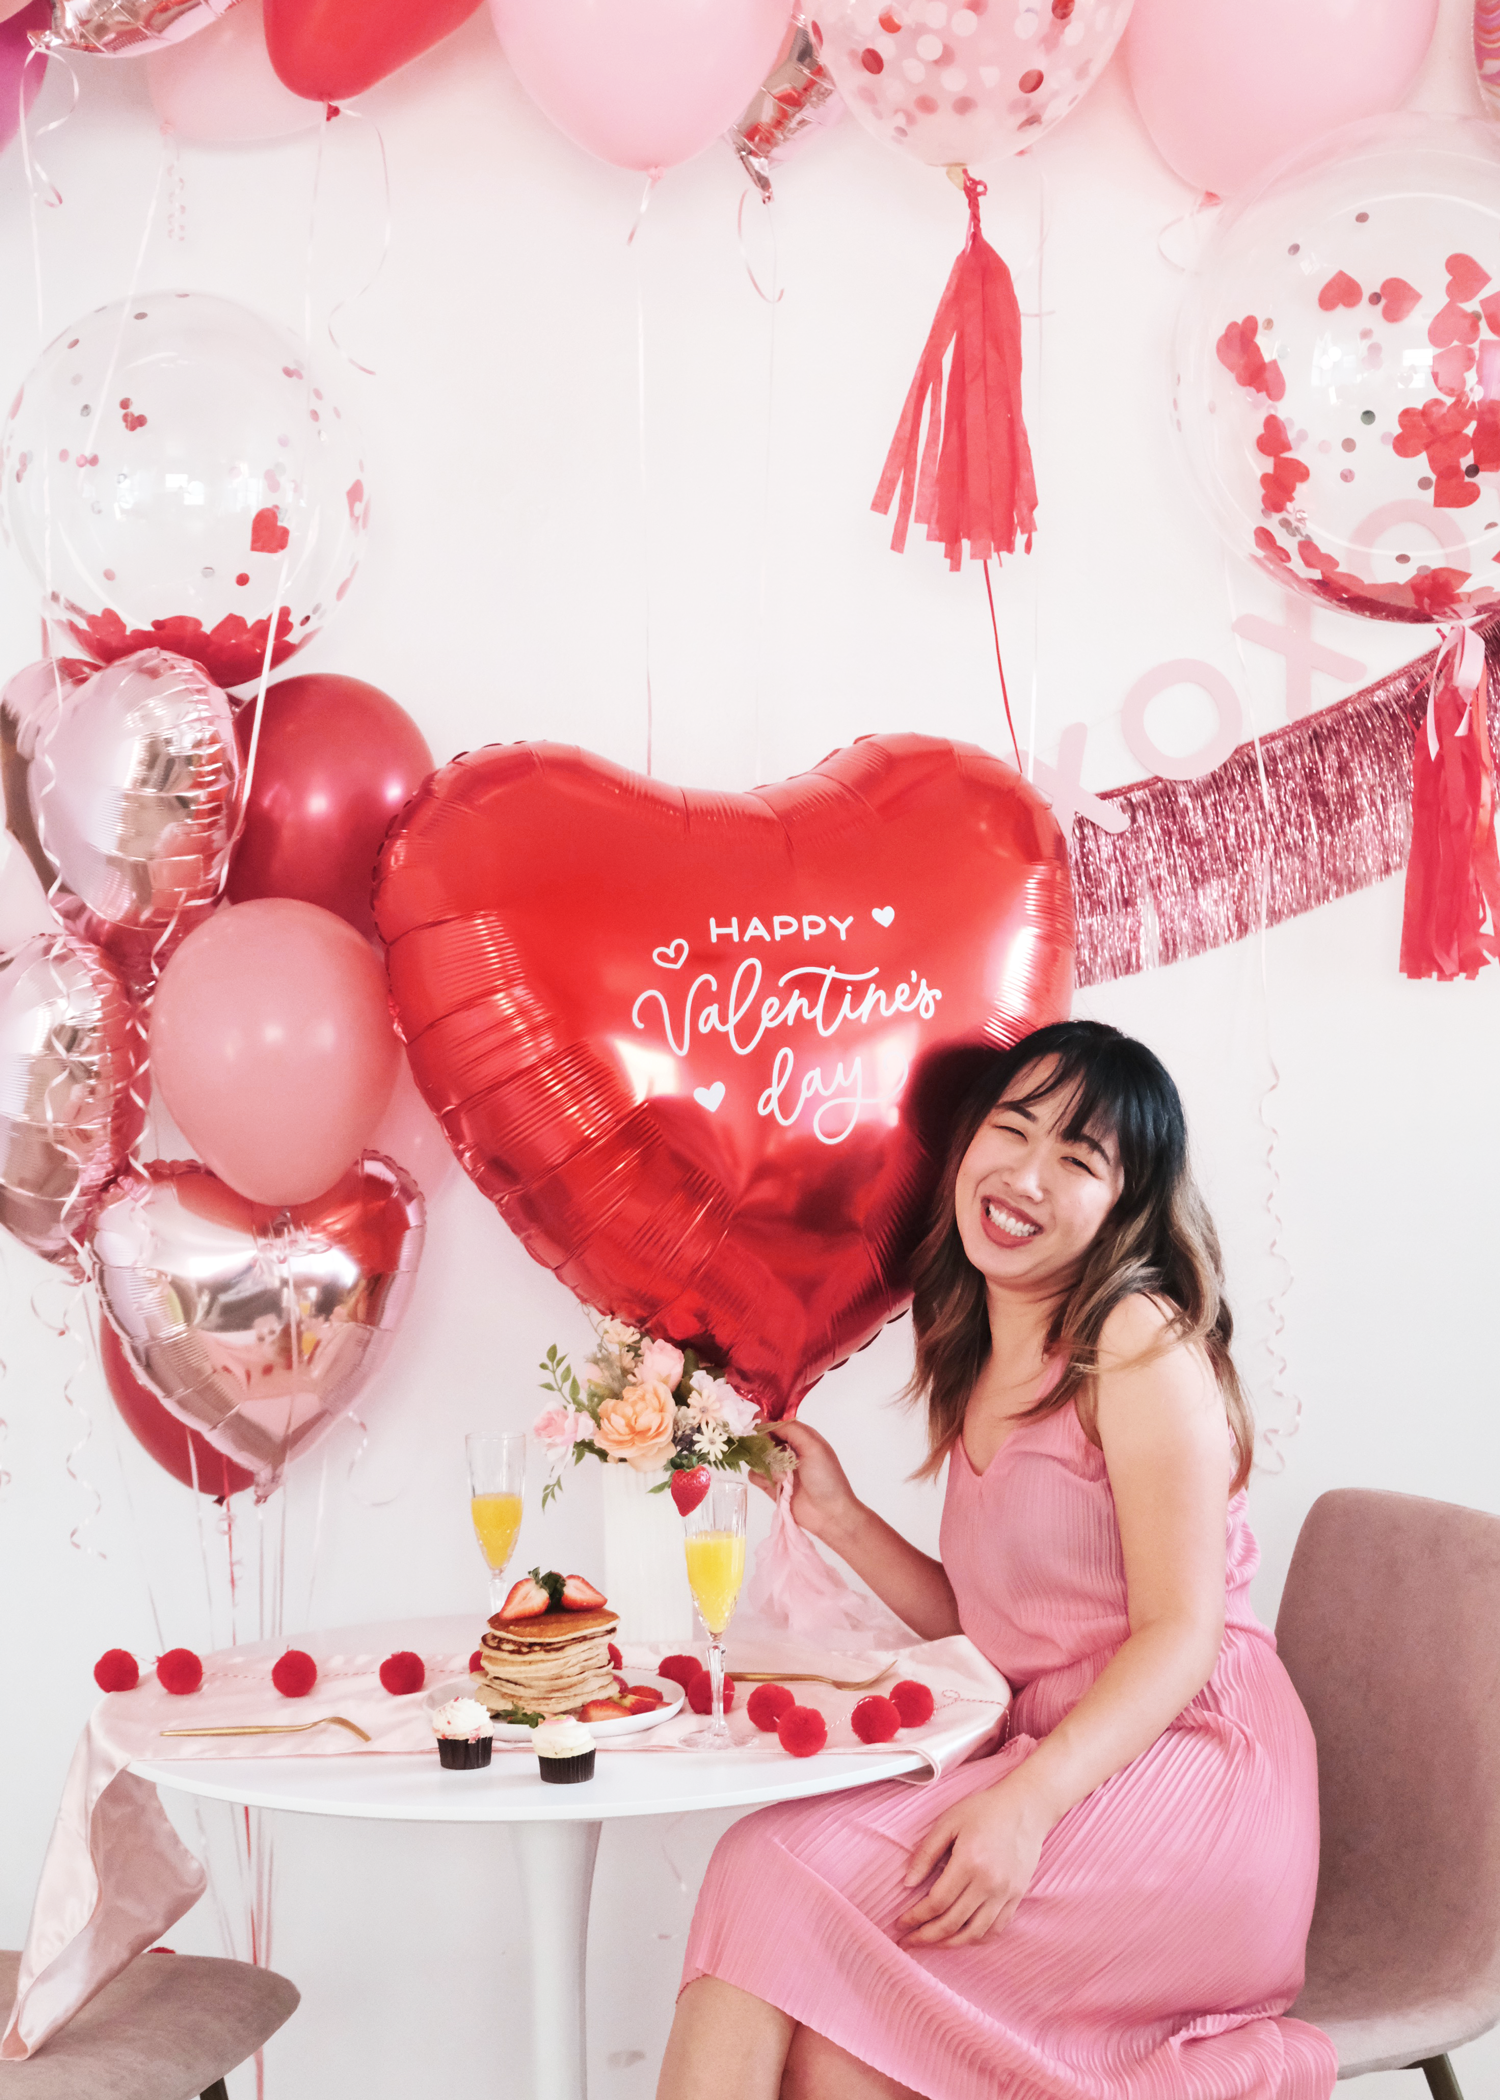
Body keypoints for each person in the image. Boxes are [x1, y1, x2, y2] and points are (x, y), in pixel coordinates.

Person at [656, 1019, 1336, 2100]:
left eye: (1078, 1158)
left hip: (1193, 1777)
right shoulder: (980, 1358)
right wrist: (840, 1519)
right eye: (1012, 1131)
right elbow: (1001, 1635)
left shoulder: (1135, 1338)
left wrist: (1026, 1805)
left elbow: (1181, 1634)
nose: (1025, 1176)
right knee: (832, 2055)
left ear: (1126, 1206)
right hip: (1074, 1757)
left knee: (765, 1869)